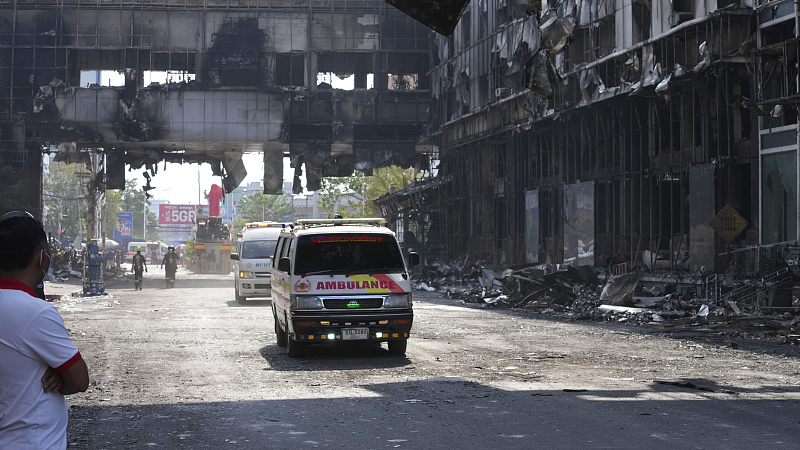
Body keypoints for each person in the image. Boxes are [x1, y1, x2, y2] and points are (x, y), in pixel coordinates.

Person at [0, 210, 89, 449]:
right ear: (43, 258)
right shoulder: (35, 312)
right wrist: (60, 375)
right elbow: (79, 380)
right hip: (29, 441)